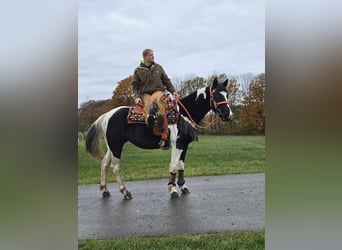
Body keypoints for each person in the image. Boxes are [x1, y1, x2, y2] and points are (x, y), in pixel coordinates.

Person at [131, 49, 179, 148]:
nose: (153, 57)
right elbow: (134, 86)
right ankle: (150, 119)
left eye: (153, 55)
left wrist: (173, 91)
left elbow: (166, 81)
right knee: (147, 106)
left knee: (158, 102)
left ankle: (164, 136)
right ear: (144, 57)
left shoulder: (158, 67)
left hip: (158, 91)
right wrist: (136, 97)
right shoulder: (138, 70)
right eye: (150, 55)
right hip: (145, 93)